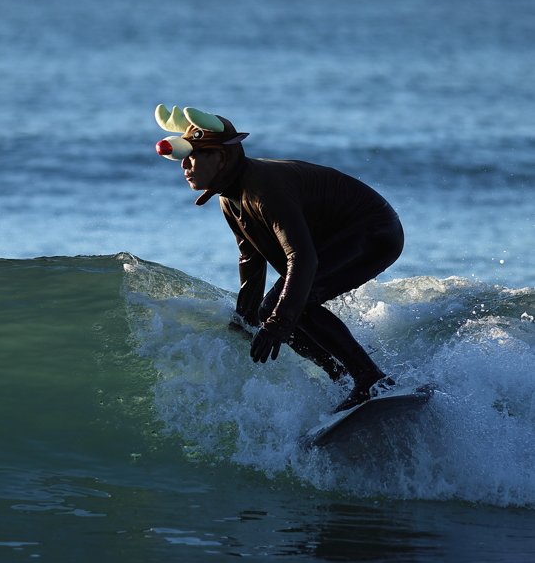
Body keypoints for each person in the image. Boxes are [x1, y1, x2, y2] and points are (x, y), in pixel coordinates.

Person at [154, 105, 404, 412]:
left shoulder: (264, 190)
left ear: (220, 158)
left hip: (374, 230)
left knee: (292, 304)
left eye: (194, 156)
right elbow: (250, 258)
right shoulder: (229, 197)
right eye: (184, 158)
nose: (184, 166)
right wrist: (245, 319)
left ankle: (371, 380)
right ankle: (343, 377)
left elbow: (302, 259)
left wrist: (277, 327)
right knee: (270, 311)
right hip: (334, 239)